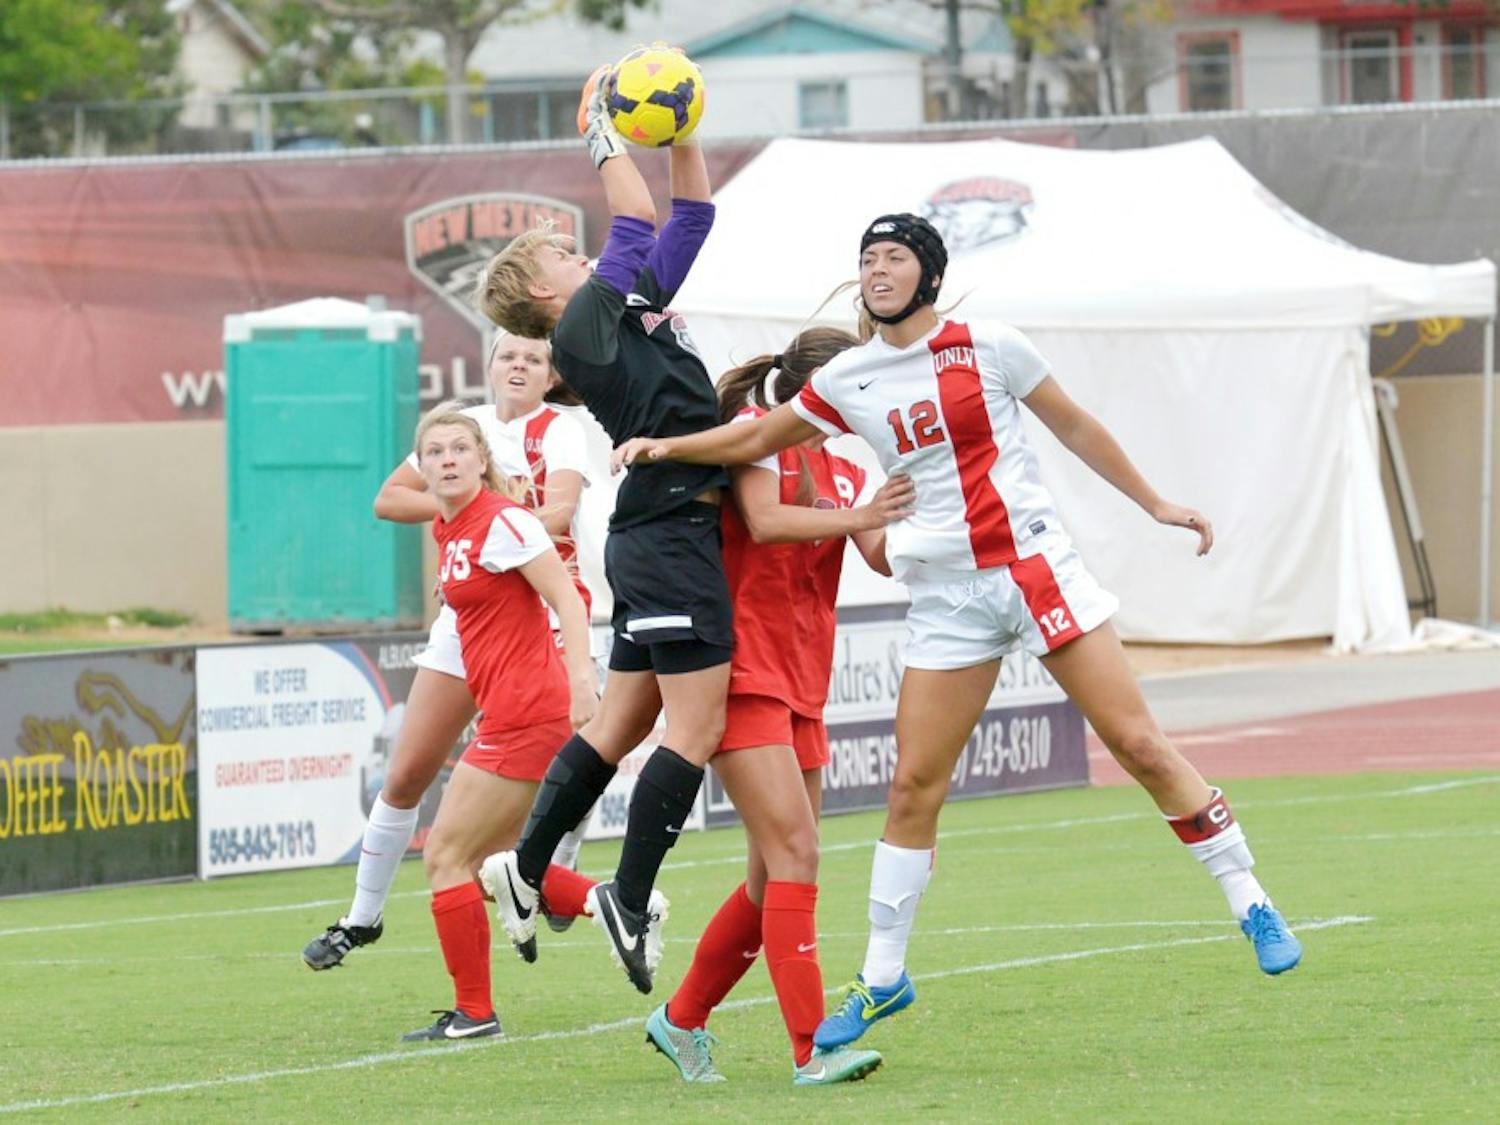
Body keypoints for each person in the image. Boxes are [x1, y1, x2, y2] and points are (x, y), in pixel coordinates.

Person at [614, 212, 1304, 1051]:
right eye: (867, 257)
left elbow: (1075, 424)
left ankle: (1251, 900)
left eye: (894, 256)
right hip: (947, 598)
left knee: (1139, 744)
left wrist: (1155, 502)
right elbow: (756, 434)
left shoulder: (992, 345)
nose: (876, 269)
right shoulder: (852, 377)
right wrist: (664, 448)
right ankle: (879, 979)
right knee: (913, 787)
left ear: (929, 276)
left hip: (1033, 571)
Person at [470, 64, 732, 996]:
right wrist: (604, 134)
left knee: (625, 721)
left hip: (665, 530)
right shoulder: (583, 325)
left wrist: (684, 130)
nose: (587, 261)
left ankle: (527, 864)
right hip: (668, 531)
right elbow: (632, 225)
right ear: (546, 298)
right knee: (695, 730)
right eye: (565, 261)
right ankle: (625, 892)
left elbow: (687, 222)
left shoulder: (616, 312)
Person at [644, 327, 912, 1086]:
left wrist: (939, 505)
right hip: (740, 673)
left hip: (802, 682)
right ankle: (812, 1047)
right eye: (856, 383)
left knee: (773, 879)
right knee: (798, 854)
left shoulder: (845, 464)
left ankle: (682, 1017)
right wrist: (862, 516)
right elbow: (763, 520)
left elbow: (885, 556)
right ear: (814, 386)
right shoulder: (761, 439)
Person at [301, 335, 594, 970]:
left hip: (525, 619)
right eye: (507, 356)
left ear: (549, 376)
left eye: (532, 359)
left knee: (510, 820)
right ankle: (362, 916)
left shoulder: (561, 431)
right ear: (487, 366)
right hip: (463, 623)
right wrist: (458, 498)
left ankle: (567, 878)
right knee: (406, 775)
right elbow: (388, 499)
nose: (518, 367)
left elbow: (560, 514)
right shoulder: (460, 426)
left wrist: (495, 515)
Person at [398, 402, 599, 1042]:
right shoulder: (449, 527)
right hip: (512, 710)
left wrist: (582, 685)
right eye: (435, 452)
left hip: (526, 712)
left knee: (446, 856)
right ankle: (613, 903)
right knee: (491, 862)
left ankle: (475, 1014)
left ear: (483, 459)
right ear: (421, 468)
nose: (448, 459)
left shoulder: (503, 521)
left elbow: (566, 598)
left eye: (460, 448)